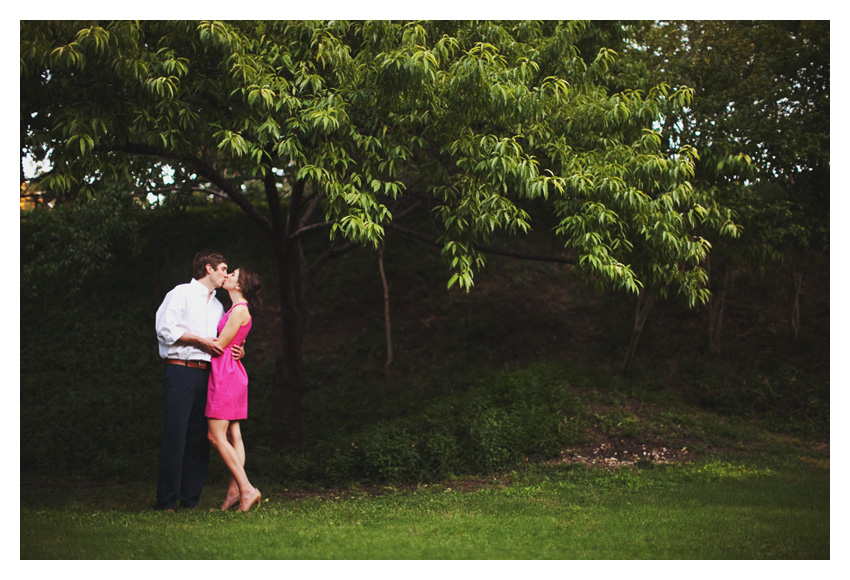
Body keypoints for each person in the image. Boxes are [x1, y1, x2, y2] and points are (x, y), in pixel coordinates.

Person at [153, 249, 244, 511]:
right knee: (175, 435)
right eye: (223, 269)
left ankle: (190, 499)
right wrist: (198, 340)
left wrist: (241, 349)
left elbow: (226, 340)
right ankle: (166, 501)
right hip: (180, 370)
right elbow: (164, 329)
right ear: (208, 268)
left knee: (200, 438)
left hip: (209, 374)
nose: (226, 274)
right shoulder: (180, 293)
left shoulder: (218, 306)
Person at [205, 267, 263, 512]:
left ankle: (247, 489)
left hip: (226, 374)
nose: (227, 276)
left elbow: (219, 345)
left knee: (215, 435)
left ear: (240, 285)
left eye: (232, 274)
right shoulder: (236, 309)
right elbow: (234, 342)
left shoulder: (239, 310)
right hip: (232, 371)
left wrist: (184, 337)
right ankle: (233, 493)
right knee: (234, 435)